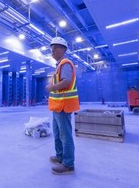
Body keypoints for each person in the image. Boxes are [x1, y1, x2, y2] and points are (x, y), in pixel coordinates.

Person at [46, 37, 80, 175]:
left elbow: (66, 82)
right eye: (52, 48)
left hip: (64, 106)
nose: (52, 50)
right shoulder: (58, 65)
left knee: (65, 135)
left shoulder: (65, 64)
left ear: (64, 49)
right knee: (57, 133)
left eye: (56, 48)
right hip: (56, 106)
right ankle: (60, 156)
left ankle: (68, 164)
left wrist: (51, 87)